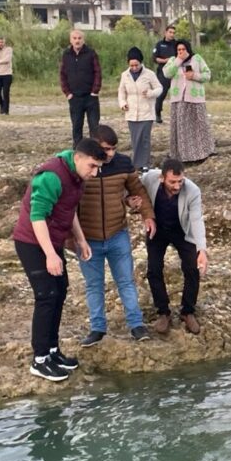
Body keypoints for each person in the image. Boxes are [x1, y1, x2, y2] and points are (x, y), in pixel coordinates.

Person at [11, 138, 104, 382]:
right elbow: (37, 216)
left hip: (52, 241)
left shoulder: (76, 177)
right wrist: (51, 255)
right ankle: (39, 359)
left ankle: (52, 351)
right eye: (92, 166)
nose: (94, 173)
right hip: (32, 242)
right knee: (46, 295)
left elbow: (68, 209)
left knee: (60, 290)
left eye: (98, 168)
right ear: (78, 157)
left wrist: (81, 240)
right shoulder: (51, 176)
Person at [78, 125, 156, 347]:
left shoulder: (123, 163)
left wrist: (147, 215)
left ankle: (136, 325)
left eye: (113, 149)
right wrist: (70, 239)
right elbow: (66, 201)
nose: (110, 154)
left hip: (117, 234)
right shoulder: (81, 165)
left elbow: (137, 190)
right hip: (87, 239)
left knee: (126, 281)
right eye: (105, 149)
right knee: (94, 285)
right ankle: (97, 329)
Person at [139, 158, 208, 335]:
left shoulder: (192, 190)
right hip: (158, 229)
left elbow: (196, 219)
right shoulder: (150, 178)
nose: (177, 186)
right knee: (154, 269)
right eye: (172, 182)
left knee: (192, 268)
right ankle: (163, 312)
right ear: (162, 178)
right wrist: (132, 203)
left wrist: (202, 250)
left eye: (180, 181)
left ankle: (188, 311)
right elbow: (133, 186)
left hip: (182, 230)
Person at [163, 40, 215, 164]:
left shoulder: (197, 59)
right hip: (179, 100)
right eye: (178, 50)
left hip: (195, 99)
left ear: (188, 49)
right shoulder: (173, 60)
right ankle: (182, 155)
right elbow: (167, 73)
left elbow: (207, 75)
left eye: (183, 49)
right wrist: (178, 61)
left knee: (199, 126)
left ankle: (203, 152)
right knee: (182, 128)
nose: (181, 52)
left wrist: (194, 76)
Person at [117, 47, 162, 170]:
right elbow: (121, 91)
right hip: (131, 113)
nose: (134, 68)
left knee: (144, 139)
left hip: (146, 112)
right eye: (131, 65)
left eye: (136, 65)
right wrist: (122, 103)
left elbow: (159, 88)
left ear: (141, 63)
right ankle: (136, 165)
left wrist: (151, 93)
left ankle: (145, 164)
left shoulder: (150, 74)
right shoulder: (125, 75)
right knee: (135, 139)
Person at [59, 29, 102, 146]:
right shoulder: (66, 55)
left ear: (83, 40)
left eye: (79, 38)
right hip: (75, 98)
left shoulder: (91, 53)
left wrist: (95, 91)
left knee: (94, 127)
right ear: (70, 40)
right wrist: (67, 93)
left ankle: (95, 152)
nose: (77, 41)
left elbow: (97, 72)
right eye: (74, 38)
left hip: (90, 97)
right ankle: (78, 153)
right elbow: (62, 74)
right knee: (76, 127)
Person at [151, 25, 176, 124]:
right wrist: (165, 60)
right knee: (161, 94)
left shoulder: (177, 44)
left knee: (177, 95)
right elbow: (154, 58)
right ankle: (157, 114)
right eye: (170, 32)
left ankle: (176, 117)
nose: (172, 34)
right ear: (165, 33)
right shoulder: (159, 44)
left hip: (175, 73)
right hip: (163, 73)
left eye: (173, 33)